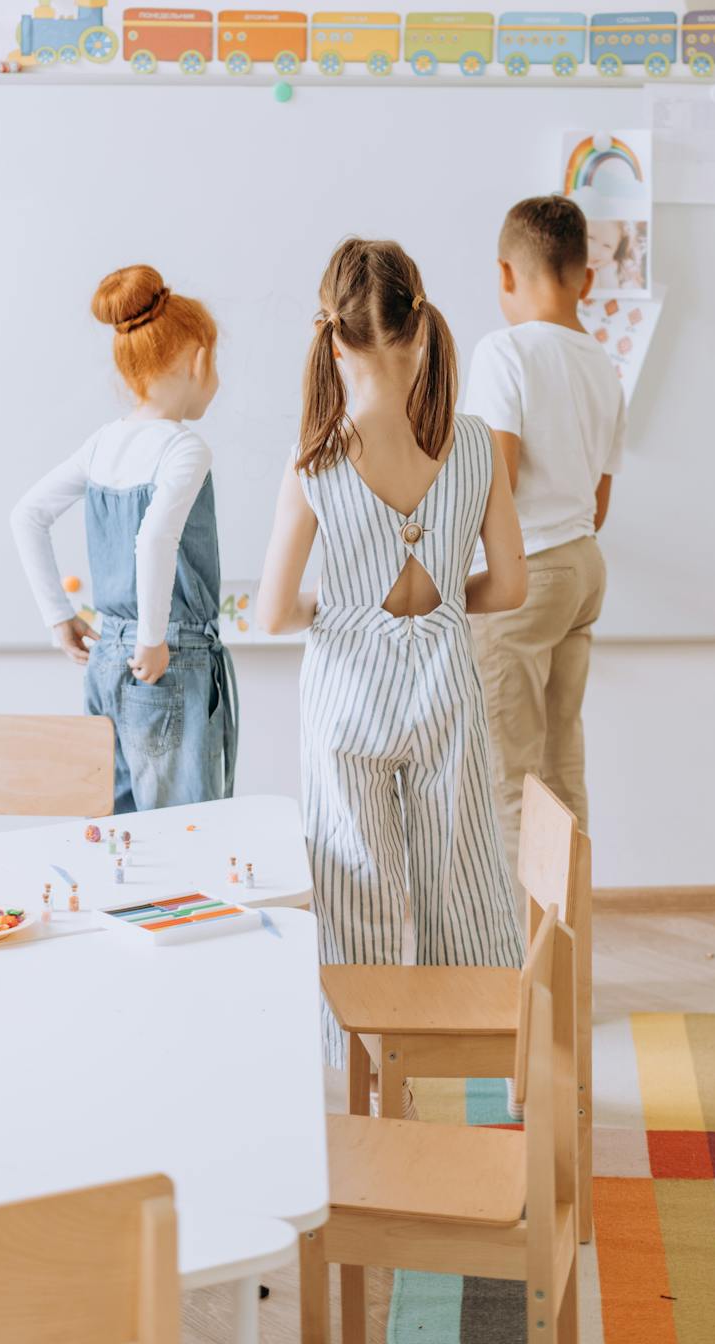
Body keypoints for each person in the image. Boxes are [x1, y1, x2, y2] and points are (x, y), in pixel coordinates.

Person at [256, 237, 525, 1067]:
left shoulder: (315, 461)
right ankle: (483, 1054)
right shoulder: (476, 444)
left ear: (334, 340)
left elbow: (272, 613)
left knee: (352, 890)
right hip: (444, 692)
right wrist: (440, 604)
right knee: (464, 878)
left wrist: (340, 610)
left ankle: (359, 1072)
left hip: (346, 699)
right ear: (419, 332)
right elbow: (508, 587)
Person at [10, 265, 236, 814]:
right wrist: (154, 638)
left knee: (118, 831)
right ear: (198, 360)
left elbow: (27, 514)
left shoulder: (103, 444)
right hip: (168, 659)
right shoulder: (184, 448)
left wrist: (58, 616)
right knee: (186, 833)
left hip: (106, 659)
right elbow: (154, 538)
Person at [466, 196, 625, 914]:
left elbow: (493, 476)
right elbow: (598, 500)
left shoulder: (504, 351)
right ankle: (565, 956)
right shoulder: (603, 363)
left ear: (506, 272)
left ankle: (516, 973)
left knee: (510, 775)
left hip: (525, 576)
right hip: (582, 569)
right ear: (585, 280)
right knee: (561, 767)